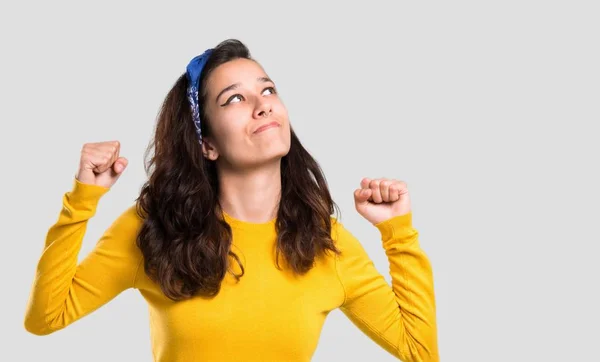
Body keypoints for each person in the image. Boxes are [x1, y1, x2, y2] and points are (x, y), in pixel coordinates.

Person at [23, 39, 439, 362]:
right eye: (235, 98)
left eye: (268, 89)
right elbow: (45, 317)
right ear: (206, 143)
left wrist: (397, 232)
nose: (263, 106)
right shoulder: (157, 229)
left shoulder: (325, 242)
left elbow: (419, 350)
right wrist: (82, 200)